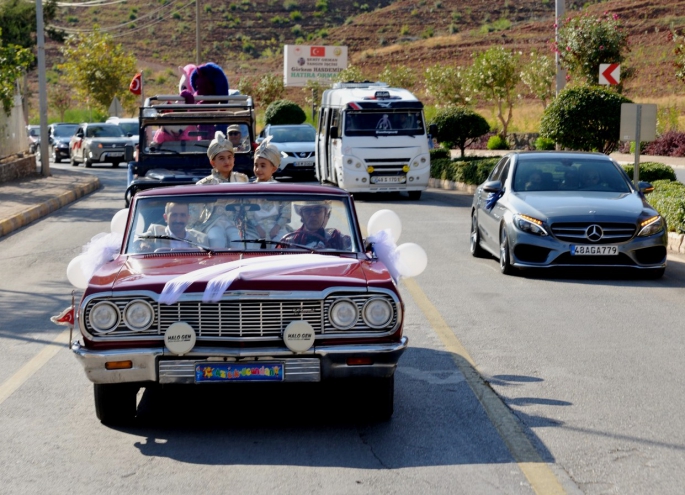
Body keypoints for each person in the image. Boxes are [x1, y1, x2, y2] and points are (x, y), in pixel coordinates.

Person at [195, 131, 249, 247]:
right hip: (213, 223)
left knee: (239, 244)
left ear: (234, 159)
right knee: (216, 242)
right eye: (221, 158)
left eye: (230, 157)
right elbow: (196, 212)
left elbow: (248, 205)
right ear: (212, 162)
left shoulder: (242, 179)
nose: (227, 161)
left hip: (235, 223)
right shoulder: (204, 184)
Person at [245, 137, 290, 242]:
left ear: (273, 168)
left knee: (285, 246)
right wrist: (258, 228)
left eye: (263, 166)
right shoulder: (249, 189)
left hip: (277, 229)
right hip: (254, 230)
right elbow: (248, 213)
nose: (258, 169)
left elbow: (286, 213)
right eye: (256, 165)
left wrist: (276, 228)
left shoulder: (281, 189)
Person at [135, 202, 206, 252]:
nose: (178, 220)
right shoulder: (155, 232)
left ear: (188, 218)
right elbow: (136, 239)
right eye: (174, 215)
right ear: (165, 217)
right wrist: (141, 244)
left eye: (182, 215)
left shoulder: (201, 239)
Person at [280, 200, 351, 250]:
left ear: (325, 213)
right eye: (307, 210)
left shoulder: (335, 238)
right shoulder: (290, 241)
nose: (313, 214)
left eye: (318, 210)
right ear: (301, 214)